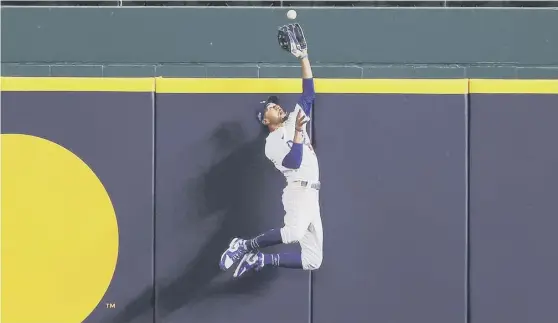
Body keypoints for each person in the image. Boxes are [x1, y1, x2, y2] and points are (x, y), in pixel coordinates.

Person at [219, 35, 322, 278]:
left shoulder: (296, 116)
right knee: (293, 234)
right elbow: (293, 163)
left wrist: (303, 57)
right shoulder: (271, 142)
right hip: (298, 190)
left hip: (313, 194)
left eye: (275, 104)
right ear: (266, 121)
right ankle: (244, 245)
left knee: (313, 260)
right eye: (269, 107)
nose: (275, 106)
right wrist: (298, 131)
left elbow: (309, 93)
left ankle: (260, 258)